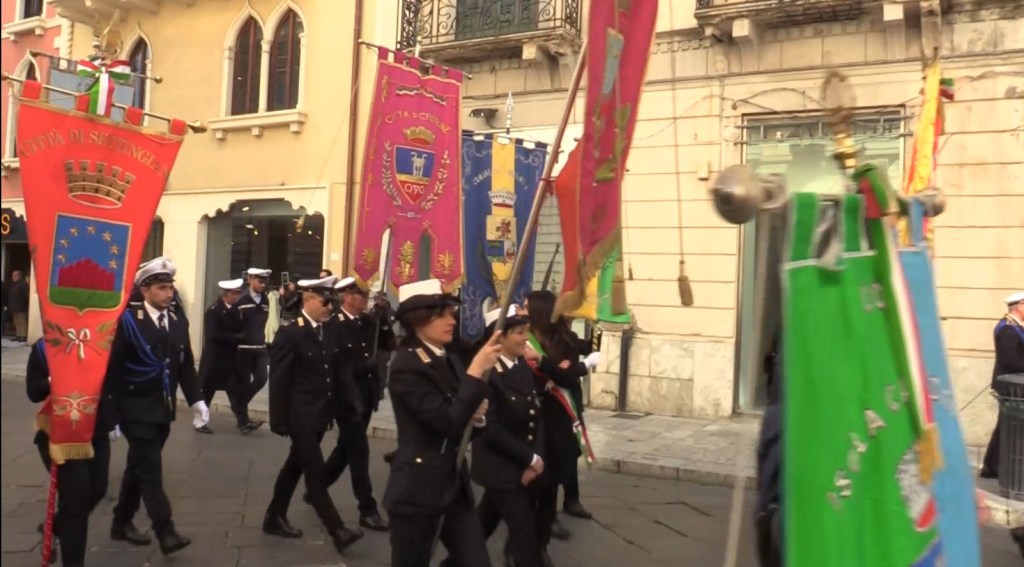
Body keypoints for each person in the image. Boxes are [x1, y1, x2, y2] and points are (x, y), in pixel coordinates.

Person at [383, 278, 501, 566]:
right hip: (418, 489)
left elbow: (462, 426)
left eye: (452, 312)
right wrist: (474, 373)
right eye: (443, 314)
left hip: (453, 486)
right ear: (419, 319)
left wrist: (478, 417)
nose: (452, 320)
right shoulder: (407, 366)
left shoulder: (447, 357)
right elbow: (447, 424)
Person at [104, 257, 210, 556]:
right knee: (150, 468)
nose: (169, 294)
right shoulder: (127, 321)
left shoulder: (177, 320)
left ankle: (121, 522)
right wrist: (111, 414)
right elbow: (112, 370)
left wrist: (197, 399)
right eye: (162, 288)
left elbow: (185, 365)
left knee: (137, 466)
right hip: (134, 408)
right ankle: (165, 530)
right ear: (145, 290)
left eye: (171, 288)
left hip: (162, 408)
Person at [263, 276, 365, 555]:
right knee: (315, 472)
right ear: (308, 299)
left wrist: (350, 403)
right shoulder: (290, 333)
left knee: (294, 467)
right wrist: (278, 419)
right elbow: (280, 379)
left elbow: (338, 371)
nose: (330, 308)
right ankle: (338, 530)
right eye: (325, 302)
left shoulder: (328, 331)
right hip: (299, 415)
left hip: (321, 414)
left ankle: (274, 516)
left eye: (332, 302)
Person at [308, 277, 392, 531]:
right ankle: (367, 508)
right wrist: (359, 368)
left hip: (366, 396)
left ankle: (316, 488)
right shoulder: (334, 325)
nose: (365, 300)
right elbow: (333, 364)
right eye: (361, 296)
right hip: (346, 398)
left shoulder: (367, 322)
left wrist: (384, 321)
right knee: (359, 451)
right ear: (347, 297)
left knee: (345, 449)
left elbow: (388, 344)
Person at [472, 304, 551, 567]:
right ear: (499, 337)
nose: (526, 338)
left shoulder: (520, 366)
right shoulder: (486, 372)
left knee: (482, 525)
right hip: (500, 467)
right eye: (519, 332)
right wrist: (529, 458)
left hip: (523, 465)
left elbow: (535, 414)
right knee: (524, 534)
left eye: (526, 331)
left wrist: (535, 458)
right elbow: (491, 429)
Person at [27, 338, 113, 567]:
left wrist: (115, 418)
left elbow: (114, 380)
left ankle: (54, 526)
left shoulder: (101, 341)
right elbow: (33, 391)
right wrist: (53, 380)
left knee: (98, 489)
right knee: (76, 499)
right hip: (59, 436)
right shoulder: (44, 346)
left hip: (95, 431)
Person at [523, 290, 600, 528]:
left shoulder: (564, 336)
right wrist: (566, 369)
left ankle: (572, 499)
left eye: (527, 307)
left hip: (568, 404)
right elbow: (559, 374)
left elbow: (588, 348)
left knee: (571, 451)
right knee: (552, 457)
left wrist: (598, 327)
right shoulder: (528, 339)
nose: (523, 310)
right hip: (545, 406)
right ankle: (549, 512)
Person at [981, 291, 1024, 479]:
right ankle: (992, 467)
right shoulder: (1008, 329)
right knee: (1006, 428)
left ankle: (992, 467)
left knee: (1005, 427)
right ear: (1020, 306)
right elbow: (1011, 360)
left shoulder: (1015, 326)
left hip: (1013, 385)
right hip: (1009, 386)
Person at [195, 278, 245, 434]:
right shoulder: (213, 311)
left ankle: (244, 422)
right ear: (227, 294)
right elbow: (212, 335)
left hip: (229, 360)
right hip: (214, 360)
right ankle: (200, 423)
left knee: (236, 392)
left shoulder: (235, 309)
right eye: (236, 293)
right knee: (206, 393)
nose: (238, 296)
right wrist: (235, 338)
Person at [233, 267, 272, 433]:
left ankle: (238, 404)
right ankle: (243, 421)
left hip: (260, 348)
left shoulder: (265, 300)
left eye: (264, 281)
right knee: (242, 384)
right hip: (243, 349)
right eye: (259, 280)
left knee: (261, 378)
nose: (262, 284)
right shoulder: (241, 299)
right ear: (250, 279)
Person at [8, 269, 29, 342]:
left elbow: (26, 295)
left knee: (22, 321)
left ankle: (23, 336)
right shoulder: (13, 284)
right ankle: (18, 335)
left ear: (19, 276)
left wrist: (24, 304)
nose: (13, 277)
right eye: (13, 275)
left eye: (15, 275)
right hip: (14, 306)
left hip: (21, 306)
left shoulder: (23, 284)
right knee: (16, 322)